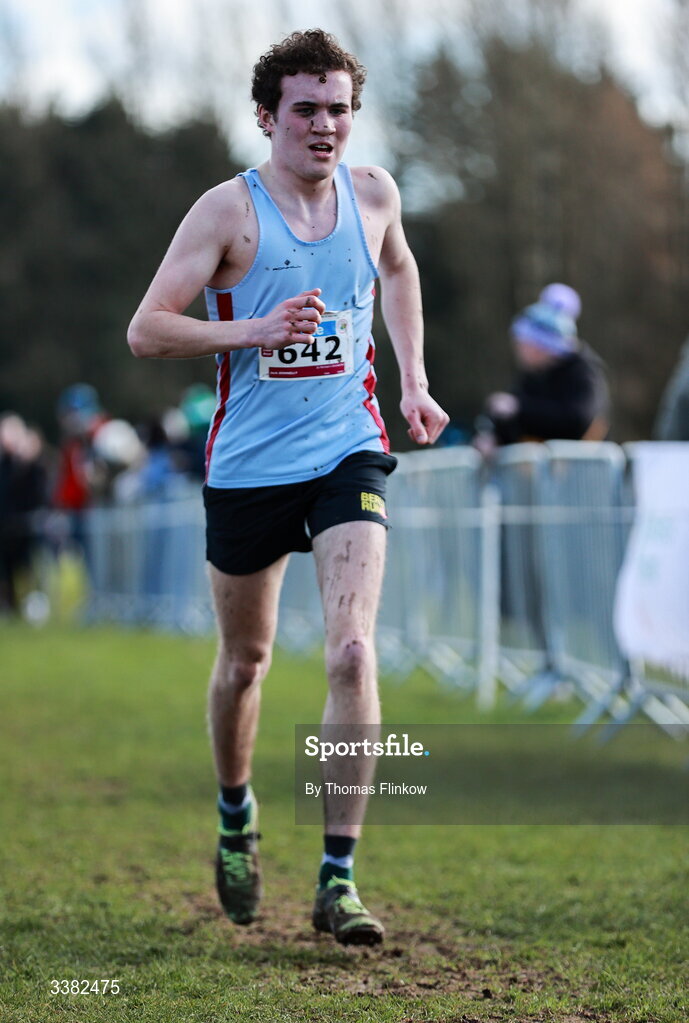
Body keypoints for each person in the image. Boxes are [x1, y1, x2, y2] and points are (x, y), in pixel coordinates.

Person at [127, 28, 448, 946]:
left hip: (347, 446)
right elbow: (147, 329)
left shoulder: (374, 192)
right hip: (247, 467)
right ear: (267, 117)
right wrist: (254, 329)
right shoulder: (226, 213)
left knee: (351, 653)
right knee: (247, 663)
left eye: (339, 109)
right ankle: (236, 813)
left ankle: (338, 878)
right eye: (305, 109)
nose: (325, 126)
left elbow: (396, 264)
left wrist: (412, 377)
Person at [475, 283, 610, 453]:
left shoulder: (584, 372)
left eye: (523, 344)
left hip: (582, 474)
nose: (518, 350)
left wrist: (519, 408)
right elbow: (519, 424)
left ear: (540, 347)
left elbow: (576, 420)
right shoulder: (533, 375)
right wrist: (495, 437)